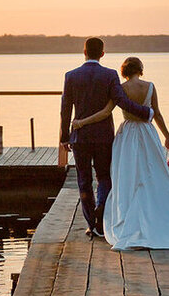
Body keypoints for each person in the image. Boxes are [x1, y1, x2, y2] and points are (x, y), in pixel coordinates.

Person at [71, 56, 169, 250]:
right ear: (141, 69)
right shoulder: (151, 87)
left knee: (127, 177)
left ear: (124, 71)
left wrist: (81, 122)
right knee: (151, 174)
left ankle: (128, 219)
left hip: (128, 135)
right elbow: (158, 114)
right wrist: (168, 137)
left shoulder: (120, 88)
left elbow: (105, 113)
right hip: (147, 133)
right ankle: (156, 218)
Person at [59, 38, 153, 238]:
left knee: (84, 180)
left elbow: (65, 109)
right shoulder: (109, 75)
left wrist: (64, 137)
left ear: (84, 52)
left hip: (80, 138)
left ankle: (91, 224)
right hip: (103, 136)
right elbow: (121, 101)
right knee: (104, 177)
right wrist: (146, 113)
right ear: (102, 54)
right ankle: (102, 212)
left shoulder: (71, 76)